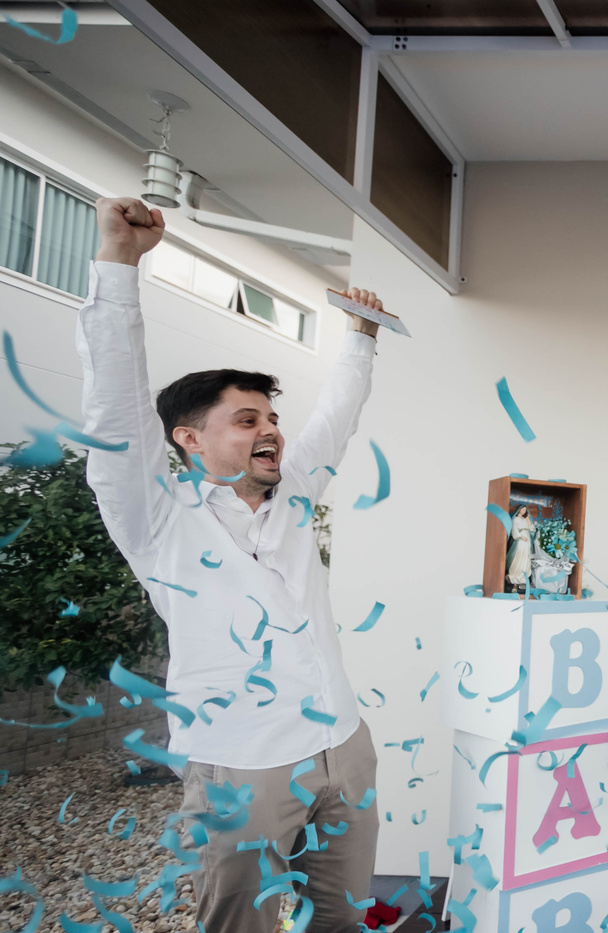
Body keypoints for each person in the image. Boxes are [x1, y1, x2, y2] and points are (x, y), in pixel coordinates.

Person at [78, 197, 384, 933]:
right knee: (240, 923)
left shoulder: (295, 493)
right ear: (188, 439)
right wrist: (119, 264)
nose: (270, 430)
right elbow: (116, 414)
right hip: (243, 766)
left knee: (340, 919)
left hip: (344, 747)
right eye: (247, 420)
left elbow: (335, 419)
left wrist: (362, 338)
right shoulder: (159, 518)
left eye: (271, 418)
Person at [506, 504, 534, 591]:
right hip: (520, 540)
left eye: (525, 510)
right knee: (519, 557)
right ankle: (515, 577)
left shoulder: (525, 519)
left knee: (526, 558)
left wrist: (528, 520)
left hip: (527, 540)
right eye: (522, 509)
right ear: (519, 510)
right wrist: (521, 537)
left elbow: (532, 529)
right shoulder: (515, 519)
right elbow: (514, 531)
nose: (524, 511)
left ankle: (523, 578)